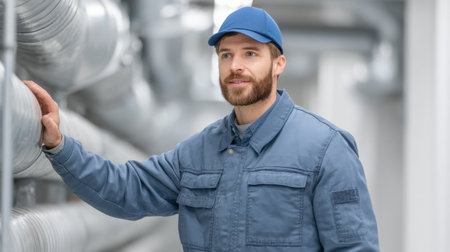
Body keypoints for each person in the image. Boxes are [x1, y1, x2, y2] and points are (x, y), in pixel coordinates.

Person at [25, 6, 379, 252]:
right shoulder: (197, 153)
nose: (236, 66)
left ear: (278, 64)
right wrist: (59, 144)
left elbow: (353, 247)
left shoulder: (325, 149)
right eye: (226, 55)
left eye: (250, 53)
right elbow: (126, 188)